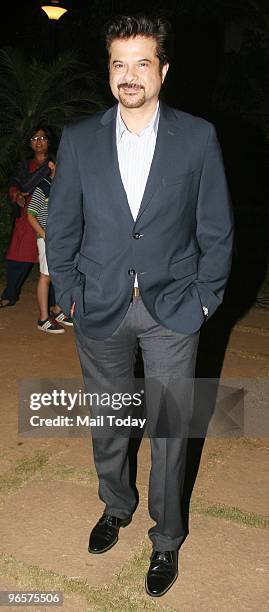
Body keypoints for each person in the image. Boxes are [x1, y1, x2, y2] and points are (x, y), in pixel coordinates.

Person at [46, 14, 234, 598]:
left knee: (170, 428)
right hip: (99, 307)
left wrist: (204, 299)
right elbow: (63, 226)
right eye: (118, 64)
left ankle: (167, 538)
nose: (129, 76)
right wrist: (72, 291)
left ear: (164, 70)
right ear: (109, 71)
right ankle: (116, 507)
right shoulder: (77, 138)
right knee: (110, 420)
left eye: (141, 63)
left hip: (173, 310)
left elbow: (217, 229)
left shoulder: (197, 137)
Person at [0, 125, 57, 308]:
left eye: (42, 138)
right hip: (27, 216)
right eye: (34, 139)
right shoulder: (24, 165)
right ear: (29, 143)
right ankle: (10, 294)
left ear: (49, 141)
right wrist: (16, 195)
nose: (38, 142)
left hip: (50, 216)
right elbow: (14, 184)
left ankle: (55, 302)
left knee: (54, 261)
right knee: (17, 256)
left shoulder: (57, 162)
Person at [27, 158, 73, 333]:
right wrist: (46, 236)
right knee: (46, 276)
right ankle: (43, 319)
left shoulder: (65, 186)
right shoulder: (43, 186)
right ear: (52, 165)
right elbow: (31, 215)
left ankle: (58, 310)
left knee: (60, 274)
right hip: (48, 238)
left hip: (62, 239)